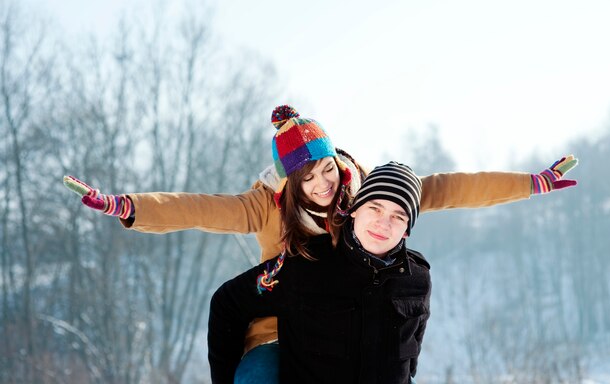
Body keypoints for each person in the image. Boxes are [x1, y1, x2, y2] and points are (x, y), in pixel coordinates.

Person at [63, 105, 578, 382]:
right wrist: (127, 207)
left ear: (337, 160)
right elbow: (198, 208)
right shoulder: (265, 205)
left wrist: (529, 183)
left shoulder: (366, 192)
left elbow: (448, 188)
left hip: (347, 326)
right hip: (281, 324)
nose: (323, 185)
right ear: (290, 181)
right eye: (308, 177)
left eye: (327, 168)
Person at [208, 161, 426, 383]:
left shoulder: (417, 278)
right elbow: (228, 303)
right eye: (374, 208)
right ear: (354, 210)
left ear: (407, 230)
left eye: (398, 216)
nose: (383, 223)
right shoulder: (306, 264)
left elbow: (412, 351)